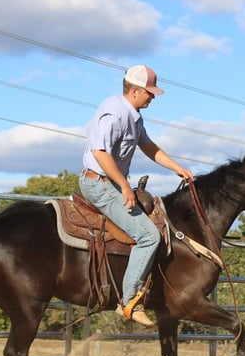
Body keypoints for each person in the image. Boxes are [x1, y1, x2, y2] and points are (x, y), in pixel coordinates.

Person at [80, 65, 193, 326]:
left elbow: (149, 146)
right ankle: (129, 301)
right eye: (149, 93)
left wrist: (178, 168)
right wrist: (125, 186)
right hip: (99, 184)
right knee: (148, 236)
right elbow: (100, 153)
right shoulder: (114, 114)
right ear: (134, 90)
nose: (152, 97)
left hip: (111, 183)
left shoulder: (134, 116)